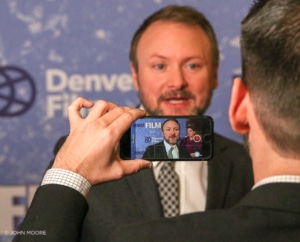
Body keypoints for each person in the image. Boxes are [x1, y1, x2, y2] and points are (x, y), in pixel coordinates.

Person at [14, 0, 300, 241]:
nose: (177, 81)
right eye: (159, 65)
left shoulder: (246, 161)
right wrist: (70, 171)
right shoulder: (78, 157)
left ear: (214, 75)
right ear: (135, 75)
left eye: (193, 65)